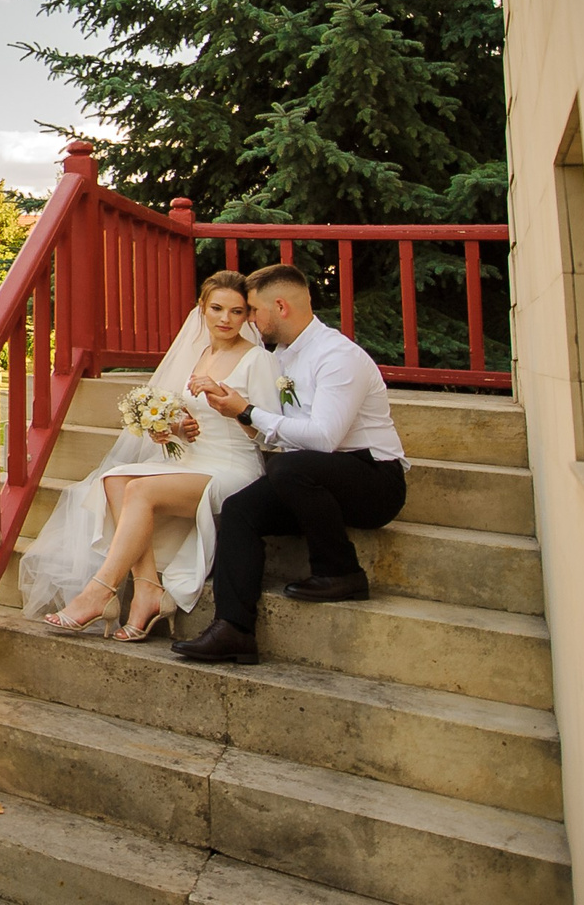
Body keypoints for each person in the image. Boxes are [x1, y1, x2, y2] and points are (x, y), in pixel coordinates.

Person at [22, 271, 285, 641]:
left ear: (247, 317)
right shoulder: (201, 354)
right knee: (114, 479)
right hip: (193, 461)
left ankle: (100, 591)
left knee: (140, 491)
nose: (225, 319)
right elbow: (189, 420)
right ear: (202, 309)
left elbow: (267, 434)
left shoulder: (257, 359)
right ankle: (147, 590)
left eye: (237, 311)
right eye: (217, 308)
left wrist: (232, 408)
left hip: (234, 467)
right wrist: (173, 430)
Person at [172, 262, 410, 666]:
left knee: (289, 468)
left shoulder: (336, 356)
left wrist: (247, 410)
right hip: (313, 479)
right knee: (239, 508)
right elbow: (281, 430)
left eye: (252, 310)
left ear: (279, 306)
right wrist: (232, 411)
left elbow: (324, 438)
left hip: (374, 479)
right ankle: (234, 630)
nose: (249, 319)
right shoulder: (279, 356)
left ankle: (341, 572)